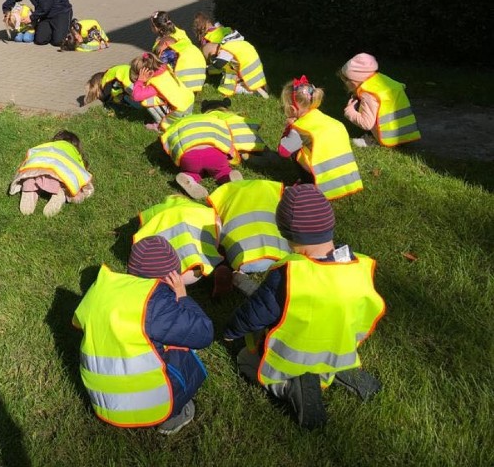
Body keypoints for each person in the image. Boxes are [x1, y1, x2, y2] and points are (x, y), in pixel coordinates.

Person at [223, 184, 385, 429]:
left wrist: (229, 332)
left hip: (293, 359)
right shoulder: (358, 265)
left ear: (286, 234)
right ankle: (341, 370)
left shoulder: (290, 274)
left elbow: (255, 314)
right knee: (329, 350)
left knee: (245, 358)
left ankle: (290, 386)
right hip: (338, 348)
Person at [73, 236, 214, 435]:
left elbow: (78, 322)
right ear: (169, 278)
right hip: (149, 407)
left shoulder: (101, 289)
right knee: (183, 347)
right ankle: (173, 416)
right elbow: (204, 333)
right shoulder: (158, 306)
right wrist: (182, 297)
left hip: (102, 401)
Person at [278, 76, 362, 201]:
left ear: (292, 109)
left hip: (325, 184)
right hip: (348, 179)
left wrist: (289, 127)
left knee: (296, 150)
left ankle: (308, 183)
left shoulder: (301, 128)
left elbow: (283, 151)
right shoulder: (326, 120)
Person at [207, 179, 291, 273]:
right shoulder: (270, 188)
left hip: (240, 260)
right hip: (280, 256)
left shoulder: (222, 195)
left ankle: (238, 275)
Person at [339, 53, 421, 148]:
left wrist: (350, 111)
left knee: (363, 106)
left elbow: (366, 124)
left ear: (353, 81)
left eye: (345, 81)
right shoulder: (380, 79)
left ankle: (374, 141)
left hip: (388, 136)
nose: (345, 85)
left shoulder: (368, 94)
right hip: (406, 131)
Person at [134, 195, 223, 282]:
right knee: (215, 226)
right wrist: (214, 248)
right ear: (188, 201)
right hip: (192, 268)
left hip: (154, 269)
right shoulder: (202, 210)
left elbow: (141, 230)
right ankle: (212, 267)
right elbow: (217, 222)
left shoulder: (154, 211)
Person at [159, 112, 246, 199]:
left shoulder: (177, 125)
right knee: (221, 170)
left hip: (189, 156)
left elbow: (170, 145)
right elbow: (227, 138)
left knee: (193, 171)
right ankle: (228, 177)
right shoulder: (215, 120)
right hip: (214, 154)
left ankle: (189, 176)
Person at [7, 130, 93, 217]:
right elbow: (80, 171)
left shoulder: (47, 147)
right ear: (76, 145)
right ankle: (59, 192)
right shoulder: (75, 153)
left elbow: (30, 157)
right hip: (58, 170)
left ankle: (29, 189)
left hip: (37, 165)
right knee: (61, 177)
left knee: (32, 177)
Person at [196, 14, 269, 99]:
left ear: (213, 52)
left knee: (232, 79)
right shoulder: (232, 42)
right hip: (255, 66)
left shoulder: (225, 50)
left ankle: (252, 92)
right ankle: (261, 86)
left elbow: (218, 65)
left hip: (247, 70)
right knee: (232, 67)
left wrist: (212, 60)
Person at [130, 53, 195, 132]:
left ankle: (160, 125)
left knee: (147, 100)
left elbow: (136, 96)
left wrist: (139, 81)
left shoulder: (155, 84)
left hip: (179, 111)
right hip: (188, 103)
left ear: (145, 73)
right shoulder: (164, 71)